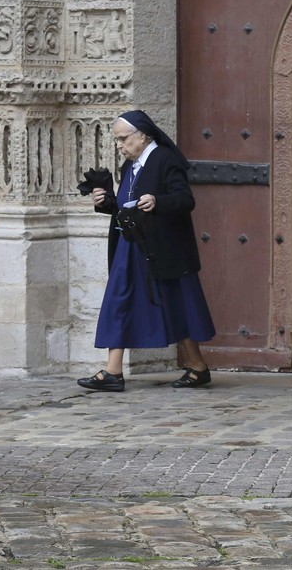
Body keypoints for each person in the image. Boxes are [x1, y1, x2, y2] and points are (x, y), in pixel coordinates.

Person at [77, 110, 216, 392]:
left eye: (123, 139)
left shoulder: (165, 159)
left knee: (174, 302)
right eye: (117, 140)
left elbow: (185, 200)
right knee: (119, 300)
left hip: (163, 247)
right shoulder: (130, 166)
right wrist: (105, 202)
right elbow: (125, 207)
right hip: (130, 246)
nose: (119, 145)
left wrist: (158, 201)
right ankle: (113, 370)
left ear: (142, 135)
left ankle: (198, 366)